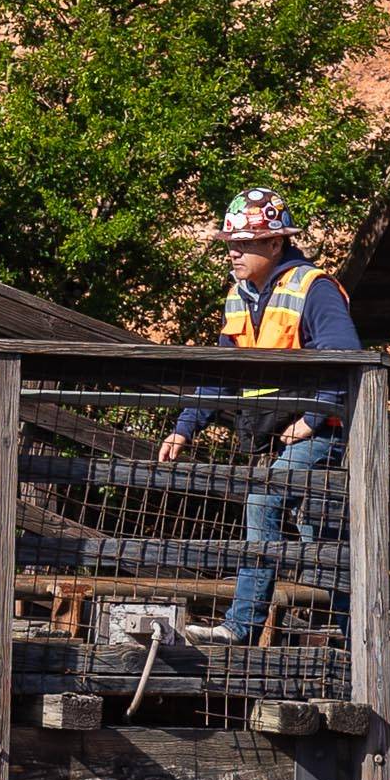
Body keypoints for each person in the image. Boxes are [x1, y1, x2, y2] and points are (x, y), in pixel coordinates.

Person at [159, 188, 362, 643]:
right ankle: (358, 634)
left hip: (317, 432)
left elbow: (347, 357)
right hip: (273, 434)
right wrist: (184, 429)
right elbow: (220, 375)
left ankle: (241, 626)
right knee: (319, 536)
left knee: (262, 501)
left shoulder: (314, 289)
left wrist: (313, 418)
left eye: (245, 244)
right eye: (231, 244)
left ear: (275, 244)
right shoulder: (239, 296)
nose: (233, 253)